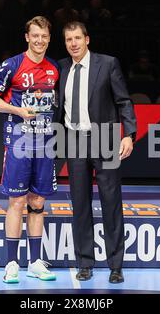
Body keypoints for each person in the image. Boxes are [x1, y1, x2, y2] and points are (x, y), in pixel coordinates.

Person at [56, 21, 137, 284]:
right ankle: (85, 263)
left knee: (111, 203)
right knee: (80, 204)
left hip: (105, 138)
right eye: (69, 39)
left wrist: (129, 134)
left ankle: (116, 265)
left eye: (78, 38)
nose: (73, 44)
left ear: (87, 39)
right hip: (73, 139)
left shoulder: (108, 63)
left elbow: (123, 100)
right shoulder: (62, 67)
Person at [0, 16, 58, 284]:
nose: (39, 40)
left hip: (46, 144)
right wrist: (16, 110)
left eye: (44, 36)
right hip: (18, 142)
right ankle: (11, 263)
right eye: (34, 35)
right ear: (27, 37)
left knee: (38, 202)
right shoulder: (12, 65)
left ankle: (35, 262)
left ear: (49, 38)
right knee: (16, 201)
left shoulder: (54, 69)